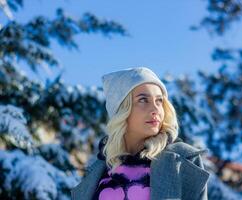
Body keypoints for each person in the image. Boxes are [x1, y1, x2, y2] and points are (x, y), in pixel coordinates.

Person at [71, 67, 210, 200]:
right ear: (121, 110)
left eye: (159, 100)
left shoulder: (183, 160)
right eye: (143, 100)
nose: (155, 108)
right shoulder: (98, 170)